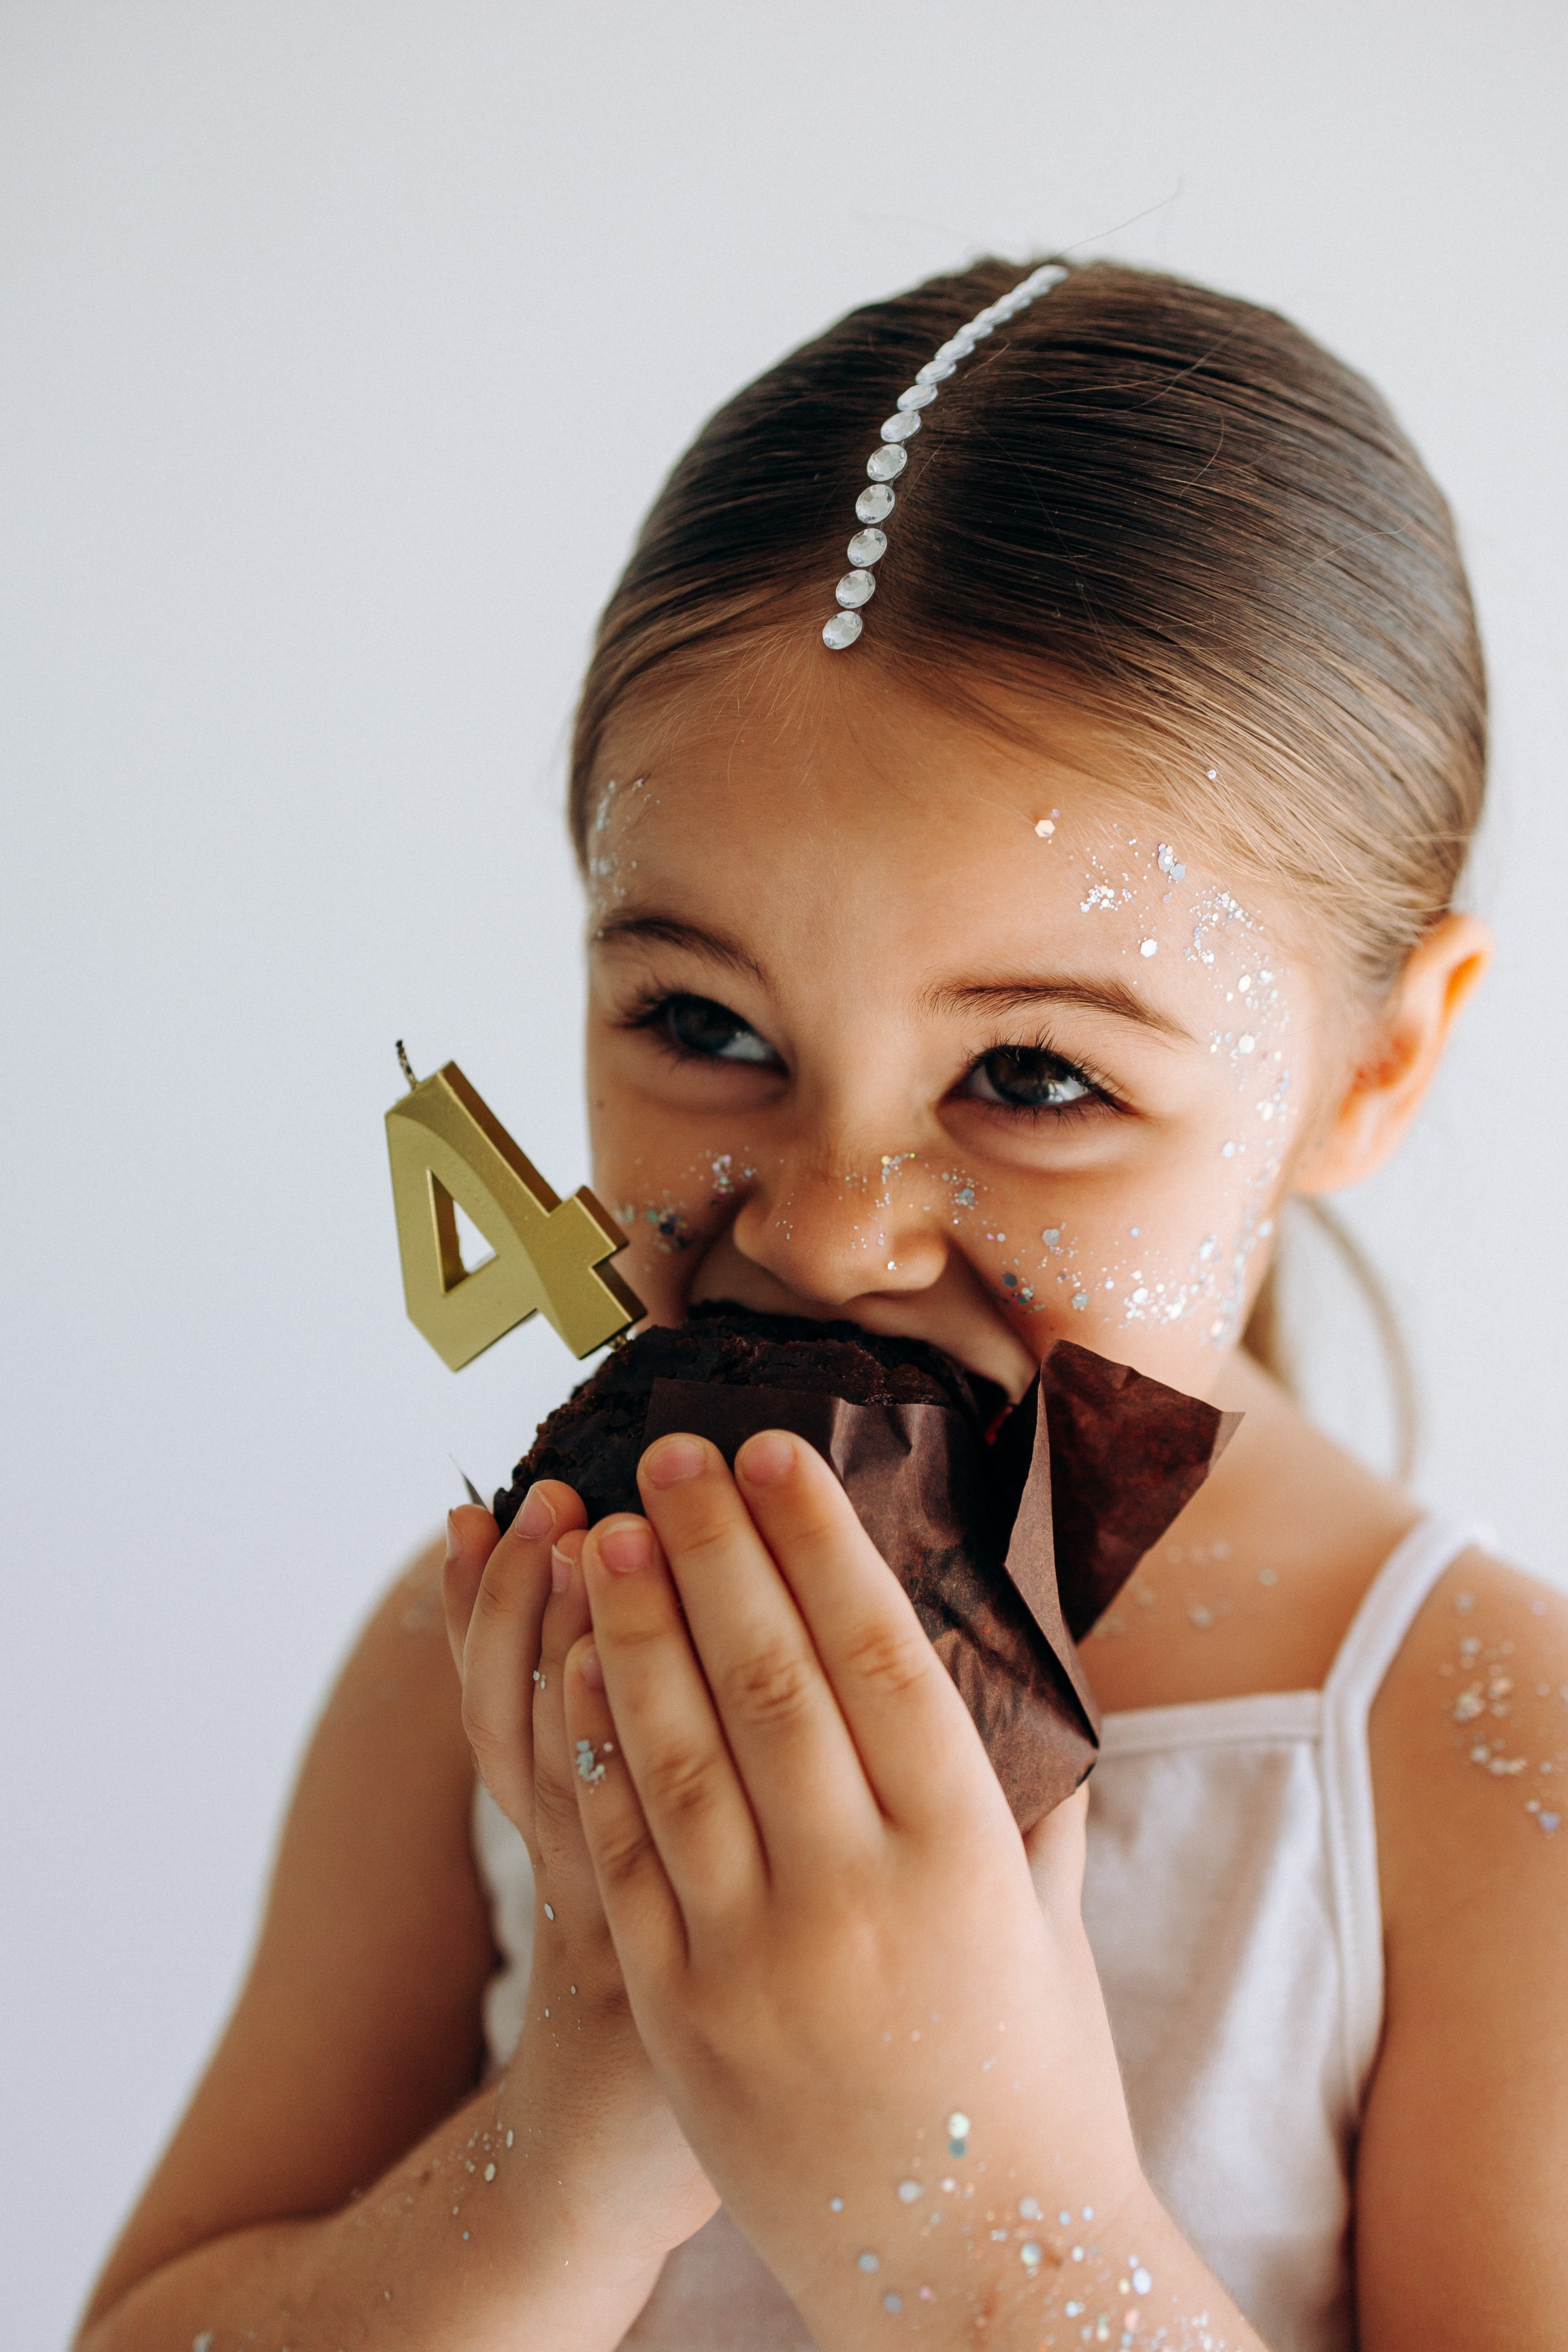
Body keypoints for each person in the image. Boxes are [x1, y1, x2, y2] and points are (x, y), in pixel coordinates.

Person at [76, 257, 1567, 2352]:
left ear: (1376, 1069)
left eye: (1035, 1078)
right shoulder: (483, 1664)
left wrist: (971, 2196)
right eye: (702, 1021)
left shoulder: (1482, 1766)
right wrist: (582, 2127)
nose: (830, 1230)